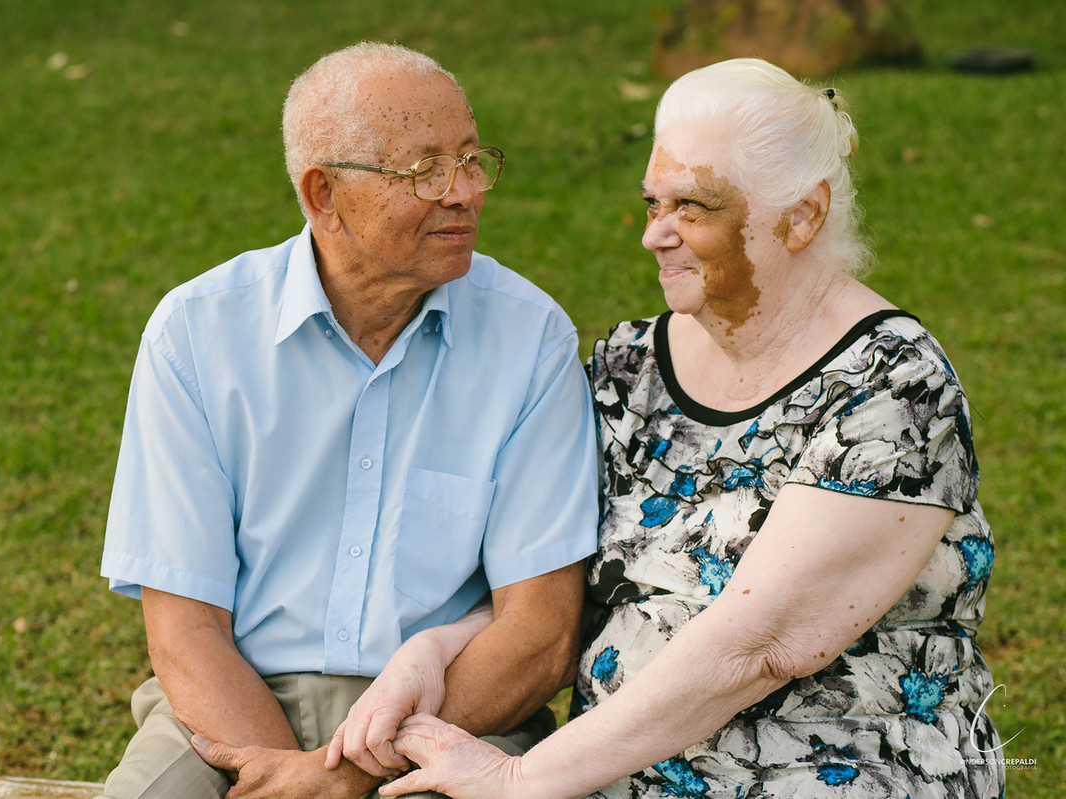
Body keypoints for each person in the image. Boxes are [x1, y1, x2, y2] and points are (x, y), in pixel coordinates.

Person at [348, 58, 1004, 798]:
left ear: (803, 214)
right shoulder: (631, 366)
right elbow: (561, 575)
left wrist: (516, 778)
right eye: (652, 203)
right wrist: (432, 651)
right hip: (615, 769)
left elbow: (761, 645)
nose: (655, 235)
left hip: (838, 769)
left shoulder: (893, 385)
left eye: (692, 206)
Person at [96, 42, 599, 799]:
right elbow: (186, 630)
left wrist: (349, 773)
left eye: (471, 159)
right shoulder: (197, 333)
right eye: (425, 170)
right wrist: (291, 780)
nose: (464, 192)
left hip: (449, 721)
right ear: (323, 193)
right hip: (230, 712)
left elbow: (541, 636)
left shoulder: (532, 340)